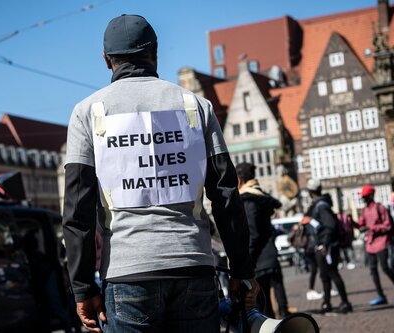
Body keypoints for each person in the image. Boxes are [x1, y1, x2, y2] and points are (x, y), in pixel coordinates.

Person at [61, 14, 258, 333]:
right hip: (193, 265)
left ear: (106, 60)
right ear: (155, 52)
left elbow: (77, 212)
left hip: (128, 272)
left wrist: (84, 288)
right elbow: (225, 195)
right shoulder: (197, 106)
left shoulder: (88, 112)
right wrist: (242, 270)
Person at [236, 162, 289, 318]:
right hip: (270, 254)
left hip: (259, 258)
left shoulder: (248, 200)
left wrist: (246, 258)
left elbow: (252, 233)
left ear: (239, 179)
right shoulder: (261, 196)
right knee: (279, 295)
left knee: (264, 305)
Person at [305, 179, 352, 314]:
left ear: (311, 192)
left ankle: (345, 302)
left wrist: (325, 243)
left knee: (332, 273)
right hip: (322, 245)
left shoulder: (321, 206)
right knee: (325, 275)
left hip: (327, 246)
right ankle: (327, 302)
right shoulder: (319, 205)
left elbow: (330, 225)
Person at [358, 185, 394, 306]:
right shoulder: (364, 210)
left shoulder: (380, 208)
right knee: (373, 270)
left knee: (385, 267)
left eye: (364, 197)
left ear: (371, 196)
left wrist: (372, 228)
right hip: (370, 243)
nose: (363, 199)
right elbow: (361, 225)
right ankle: (381, 295)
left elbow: (388, 226)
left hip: (382, 242)